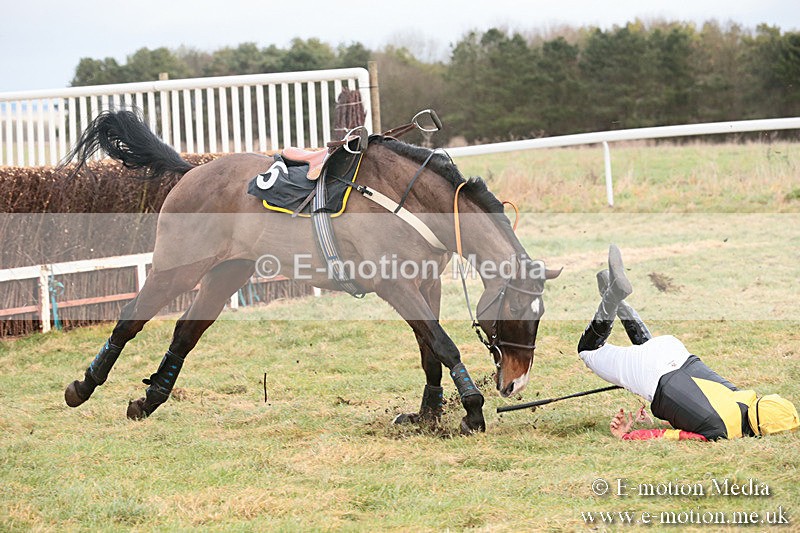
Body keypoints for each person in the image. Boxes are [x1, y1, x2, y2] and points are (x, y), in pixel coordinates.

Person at [577, 245, 799, 441]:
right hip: (651, 374)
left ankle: (616, 298)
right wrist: (627, 436)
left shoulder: (744, 397)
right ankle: (613, 297)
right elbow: (671, 436)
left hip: (673, 350)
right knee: (587, 350)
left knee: (650, 348)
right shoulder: (720, 432)